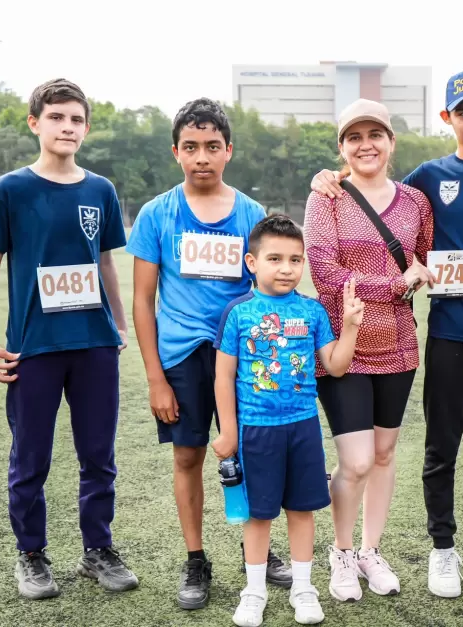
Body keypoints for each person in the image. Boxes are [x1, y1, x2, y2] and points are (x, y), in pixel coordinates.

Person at [311, 70, 463, 599]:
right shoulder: (427, 178)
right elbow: (384, 218)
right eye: (462, 112)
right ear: (446, 117)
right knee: (439, 448)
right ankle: (442, 551)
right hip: (445, 332)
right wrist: (325, 177)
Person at [0, 78, 138, 600]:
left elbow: (106, 260)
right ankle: (31, 555)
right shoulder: (11, 189)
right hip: (33, 347)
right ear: (35, 122)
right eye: (57, 117)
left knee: (98, 454)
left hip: (92, 343)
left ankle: (98, 550)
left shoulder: (100, 190)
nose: (68, 127)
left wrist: (120, 322)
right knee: (31, 458)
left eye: (76, 120)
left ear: (86, 128)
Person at [125, 98, 291, 610]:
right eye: (191, 147)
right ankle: (196, 558)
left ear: (228, 151)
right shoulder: (157, 213)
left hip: (241, 356)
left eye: (212, 147)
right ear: (176, 151)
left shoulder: (250, 214)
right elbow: (142, 300)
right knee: (188, 454)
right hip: (181, 355)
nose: (202, 157)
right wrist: (155, 376)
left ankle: (255, 550)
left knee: (249, 452)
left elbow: (265, 288)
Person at [303, 98, 435, 602]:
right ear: (342, 147)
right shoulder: (328, 197)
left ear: (390, 142)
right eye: (354, 137)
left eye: (375, 135)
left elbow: (425, 259)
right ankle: (339, 553)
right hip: (343, 344)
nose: (366, 145)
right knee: (354, 461)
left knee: (382, 455)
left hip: (399, 345)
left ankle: (370, 551)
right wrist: (395, 284)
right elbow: (327, 275)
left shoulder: (416, 202)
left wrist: (418, 275)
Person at [212, 214, 364, 627]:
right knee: (258, 515)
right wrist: (227, 431)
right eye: (275, 258)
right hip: (254, 430)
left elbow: (334, 365)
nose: (286, 268)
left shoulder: (312, 311)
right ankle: (254, 591)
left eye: (295, 260)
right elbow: (223, 375)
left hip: (302, 427)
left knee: (301, 510)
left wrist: (349, 327)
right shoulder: (238, 312)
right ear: (252, 262)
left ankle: (303, 587)